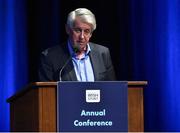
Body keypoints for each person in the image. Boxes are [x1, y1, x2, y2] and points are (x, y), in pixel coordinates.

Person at [38, 8, 116, 81]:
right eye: (78, 30)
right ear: (67, 29)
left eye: (86, 31)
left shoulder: (102, 53)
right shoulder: (50, 57)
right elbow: (46, 93)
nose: (82, 37)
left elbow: (112, 88)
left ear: (91, 34)